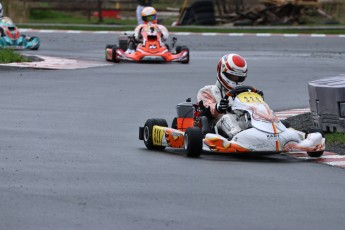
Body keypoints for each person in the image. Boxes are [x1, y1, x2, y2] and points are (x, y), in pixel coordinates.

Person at [197, 53, 263, 140]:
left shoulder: (245, 92)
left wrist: (258, 100)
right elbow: (207, 108)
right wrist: (218, 107)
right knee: (227, 117)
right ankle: (240, 138)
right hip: (219, 127)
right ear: (222, 72)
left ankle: (270, 134)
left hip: (244, 123)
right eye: (233, 76)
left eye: (239, 78)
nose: (236, 80)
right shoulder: (207, 91)